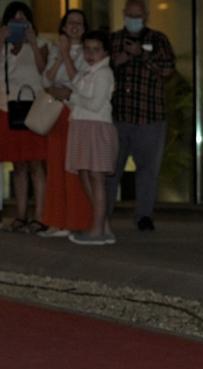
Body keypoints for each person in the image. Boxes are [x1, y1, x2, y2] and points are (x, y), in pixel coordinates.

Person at [43, 31, 118, 246]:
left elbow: (94, 104)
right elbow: (78, 87)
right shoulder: (89, 71)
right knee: (85, 175)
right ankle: (102, 225)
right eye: (87, 49)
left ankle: (98, 230)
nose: (90, 54)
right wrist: (68, 94)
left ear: (105, 52)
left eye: (96, 49)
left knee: (96, 177)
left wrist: (70, 95)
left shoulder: (104, 73)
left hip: (96, 127)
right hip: (83, 125)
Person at [106, 0, 175, 233]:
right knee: (110, 169)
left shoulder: (158, 39)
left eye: (138, 15)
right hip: (118, 117)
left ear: (146, 16)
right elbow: (98, 68)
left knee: (147, 171)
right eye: (129, 14)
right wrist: (118, 61)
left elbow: (168, 70)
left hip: (150, 117)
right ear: (124, 14)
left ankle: (144, 215)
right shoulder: (113, 40)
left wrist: (142, 56)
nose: (133, 19)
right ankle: (103, 215)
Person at [38, 9, 90, 238]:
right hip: (56, 113)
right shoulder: (54, 48)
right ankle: (55, 220)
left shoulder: (89, 51)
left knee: (73, 170)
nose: (74, 27)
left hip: (76, 113)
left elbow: (80, 84)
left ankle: (74, 221)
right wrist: (60, 55)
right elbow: (46, 80)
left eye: (79, 23)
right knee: (55, 169)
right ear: (64, 26)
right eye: (70, 23)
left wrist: (68, 56)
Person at [0, 2, 48, 234]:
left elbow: (43, 70)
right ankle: (20, 216)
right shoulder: (3, 47)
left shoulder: (41, 44)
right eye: (14, 21)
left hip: (33, 109)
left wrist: (32, 43)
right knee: (18, 165)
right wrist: (2, 40)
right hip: (7, 109)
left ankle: (40, 217)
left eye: (23, 21)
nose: (18, 24)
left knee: (36, 164)